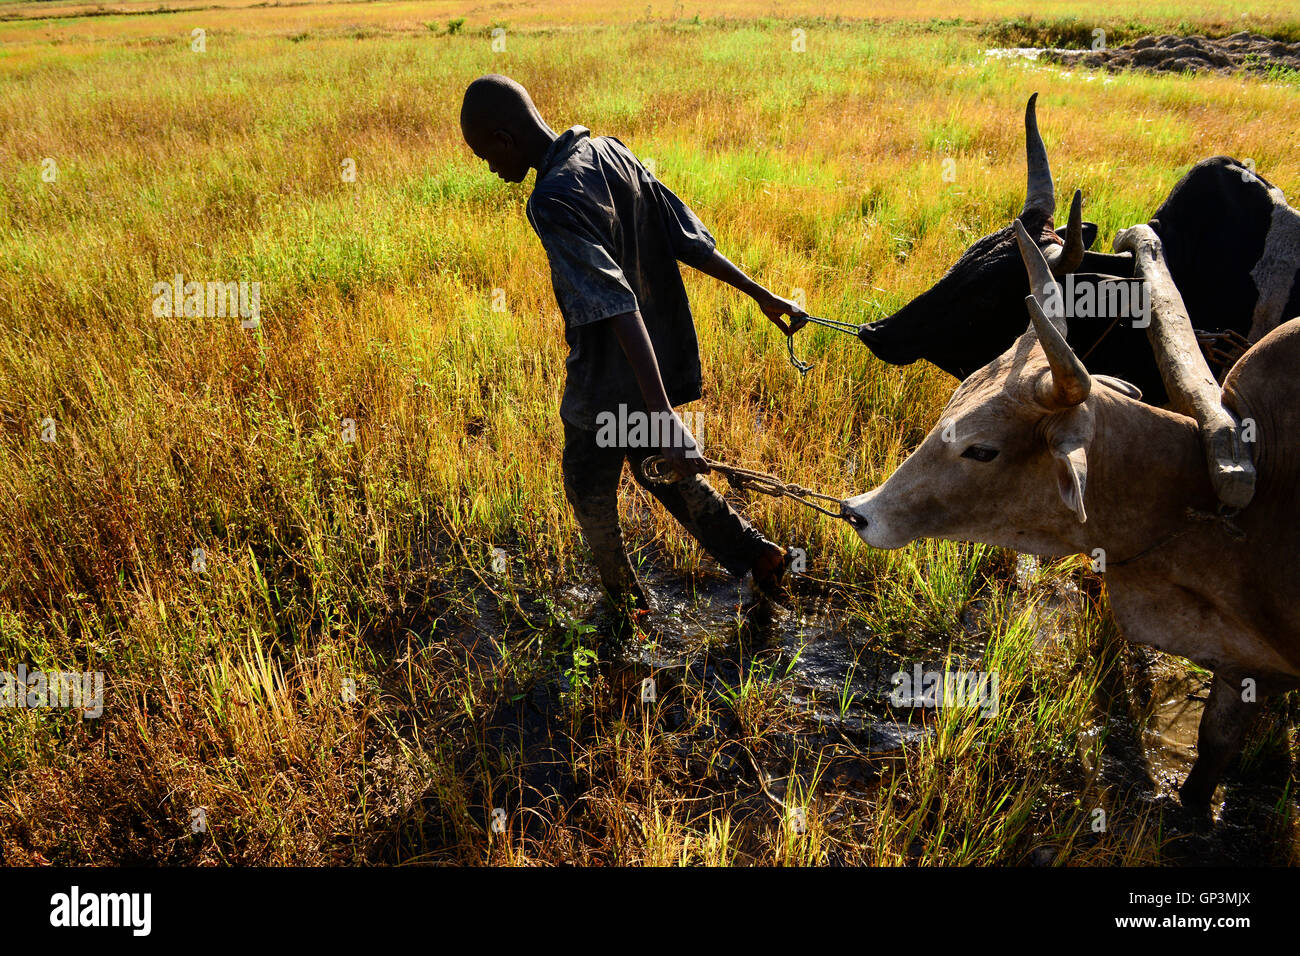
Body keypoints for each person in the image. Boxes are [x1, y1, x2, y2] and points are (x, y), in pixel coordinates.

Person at [460, 74, 808, 614]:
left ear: (504, 138)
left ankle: (627, 607)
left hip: (604, 379)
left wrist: (666, 416)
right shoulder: (611, 152)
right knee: (656, 466)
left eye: (485, 154)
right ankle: (754, 554)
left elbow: (614, 303)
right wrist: (762, 294)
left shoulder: (551, 200)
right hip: (645, 376)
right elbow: (686, 237)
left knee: (586, 484)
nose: (489, 168)